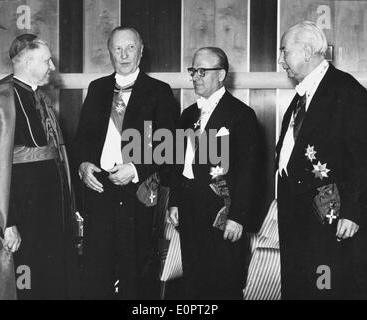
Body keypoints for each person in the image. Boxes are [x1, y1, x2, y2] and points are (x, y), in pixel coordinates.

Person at [73, 26, 179, 299]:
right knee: (97, 269)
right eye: (117, 48)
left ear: (141, 51)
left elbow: (169, 146)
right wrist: (83, 166)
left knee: (137, 271)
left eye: (130, 47)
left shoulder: (159, 91)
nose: (123, 54)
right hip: (99, 190)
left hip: (138, 191)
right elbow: (83, 139)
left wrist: (135, 169)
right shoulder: (97, 89)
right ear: (109, 52)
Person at [276, 21, 367, 299]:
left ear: (306, 51)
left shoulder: (346, 91)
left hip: (330, 219)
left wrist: (353, 211)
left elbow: (362, 156)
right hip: (297, 216)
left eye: (284, 51)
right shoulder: (301, 96)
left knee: (325, 288)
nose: (281, 61)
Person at [0, 34, 77, 299]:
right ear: (26, 62)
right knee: (27, 281)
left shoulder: (43, 99)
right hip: (22, 212)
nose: (52, 67)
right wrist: (8, 221)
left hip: (50, 211)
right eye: (47, 61)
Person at [168, 47, 260, 299]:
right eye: (193, 70)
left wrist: (238, 217)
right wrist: (174, 202)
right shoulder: (187, 115)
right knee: (194, 283)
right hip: (189, 212)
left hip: (223, 214)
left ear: (221, 74)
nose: (195, 76)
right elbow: (179, 164)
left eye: (202, 71)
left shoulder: (242, 115)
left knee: (224, 283)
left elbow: (249, 173)